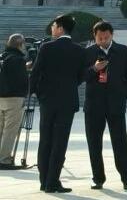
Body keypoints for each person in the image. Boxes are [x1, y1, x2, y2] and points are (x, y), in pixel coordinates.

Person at [81, 21, 127, 190]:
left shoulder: (122, 51)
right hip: (94, 105)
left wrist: (123, 94)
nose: (103, 41)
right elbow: (81, 76)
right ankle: (97, 178)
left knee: (121, 142)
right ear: (94, 36)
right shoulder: (88, 52)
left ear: (112, 35)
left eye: (106, 37)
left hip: (116, 104)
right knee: (94, 142)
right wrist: (94, 69)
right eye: (100, 38)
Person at [29, 13, 82, 193]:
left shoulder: (47, 47)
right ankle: (53, 181)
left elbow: (36, 72)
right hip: (68, 101)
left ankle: (44, 181)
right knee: (60, 142)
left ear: (60, 28)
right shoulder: (78, 50)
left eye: (53, 26)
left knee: (45, 140)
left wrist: (35, 92)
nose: (52, 29)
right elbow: (81, 76)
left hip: (48, 100)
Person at [0, 34, 29, 170]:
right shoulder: (18, 59)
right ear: (20, 45)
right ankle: (4, 160)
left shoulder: (2, 57)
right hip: (14, 98)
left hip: (1, 97)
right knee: (10, 131)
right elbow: (22, 80)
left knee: (1, 129)